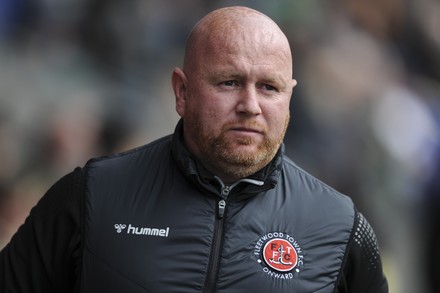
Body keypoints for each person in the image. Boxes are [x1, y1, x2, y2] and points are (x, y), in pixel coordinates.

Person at [0, 6, 388, 292]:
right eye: (229, 83)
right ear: (182, 92)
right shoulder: (91, 196)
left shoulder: (340, 227)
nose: (250, 105)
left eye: (269, 87)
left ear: (290, 97)